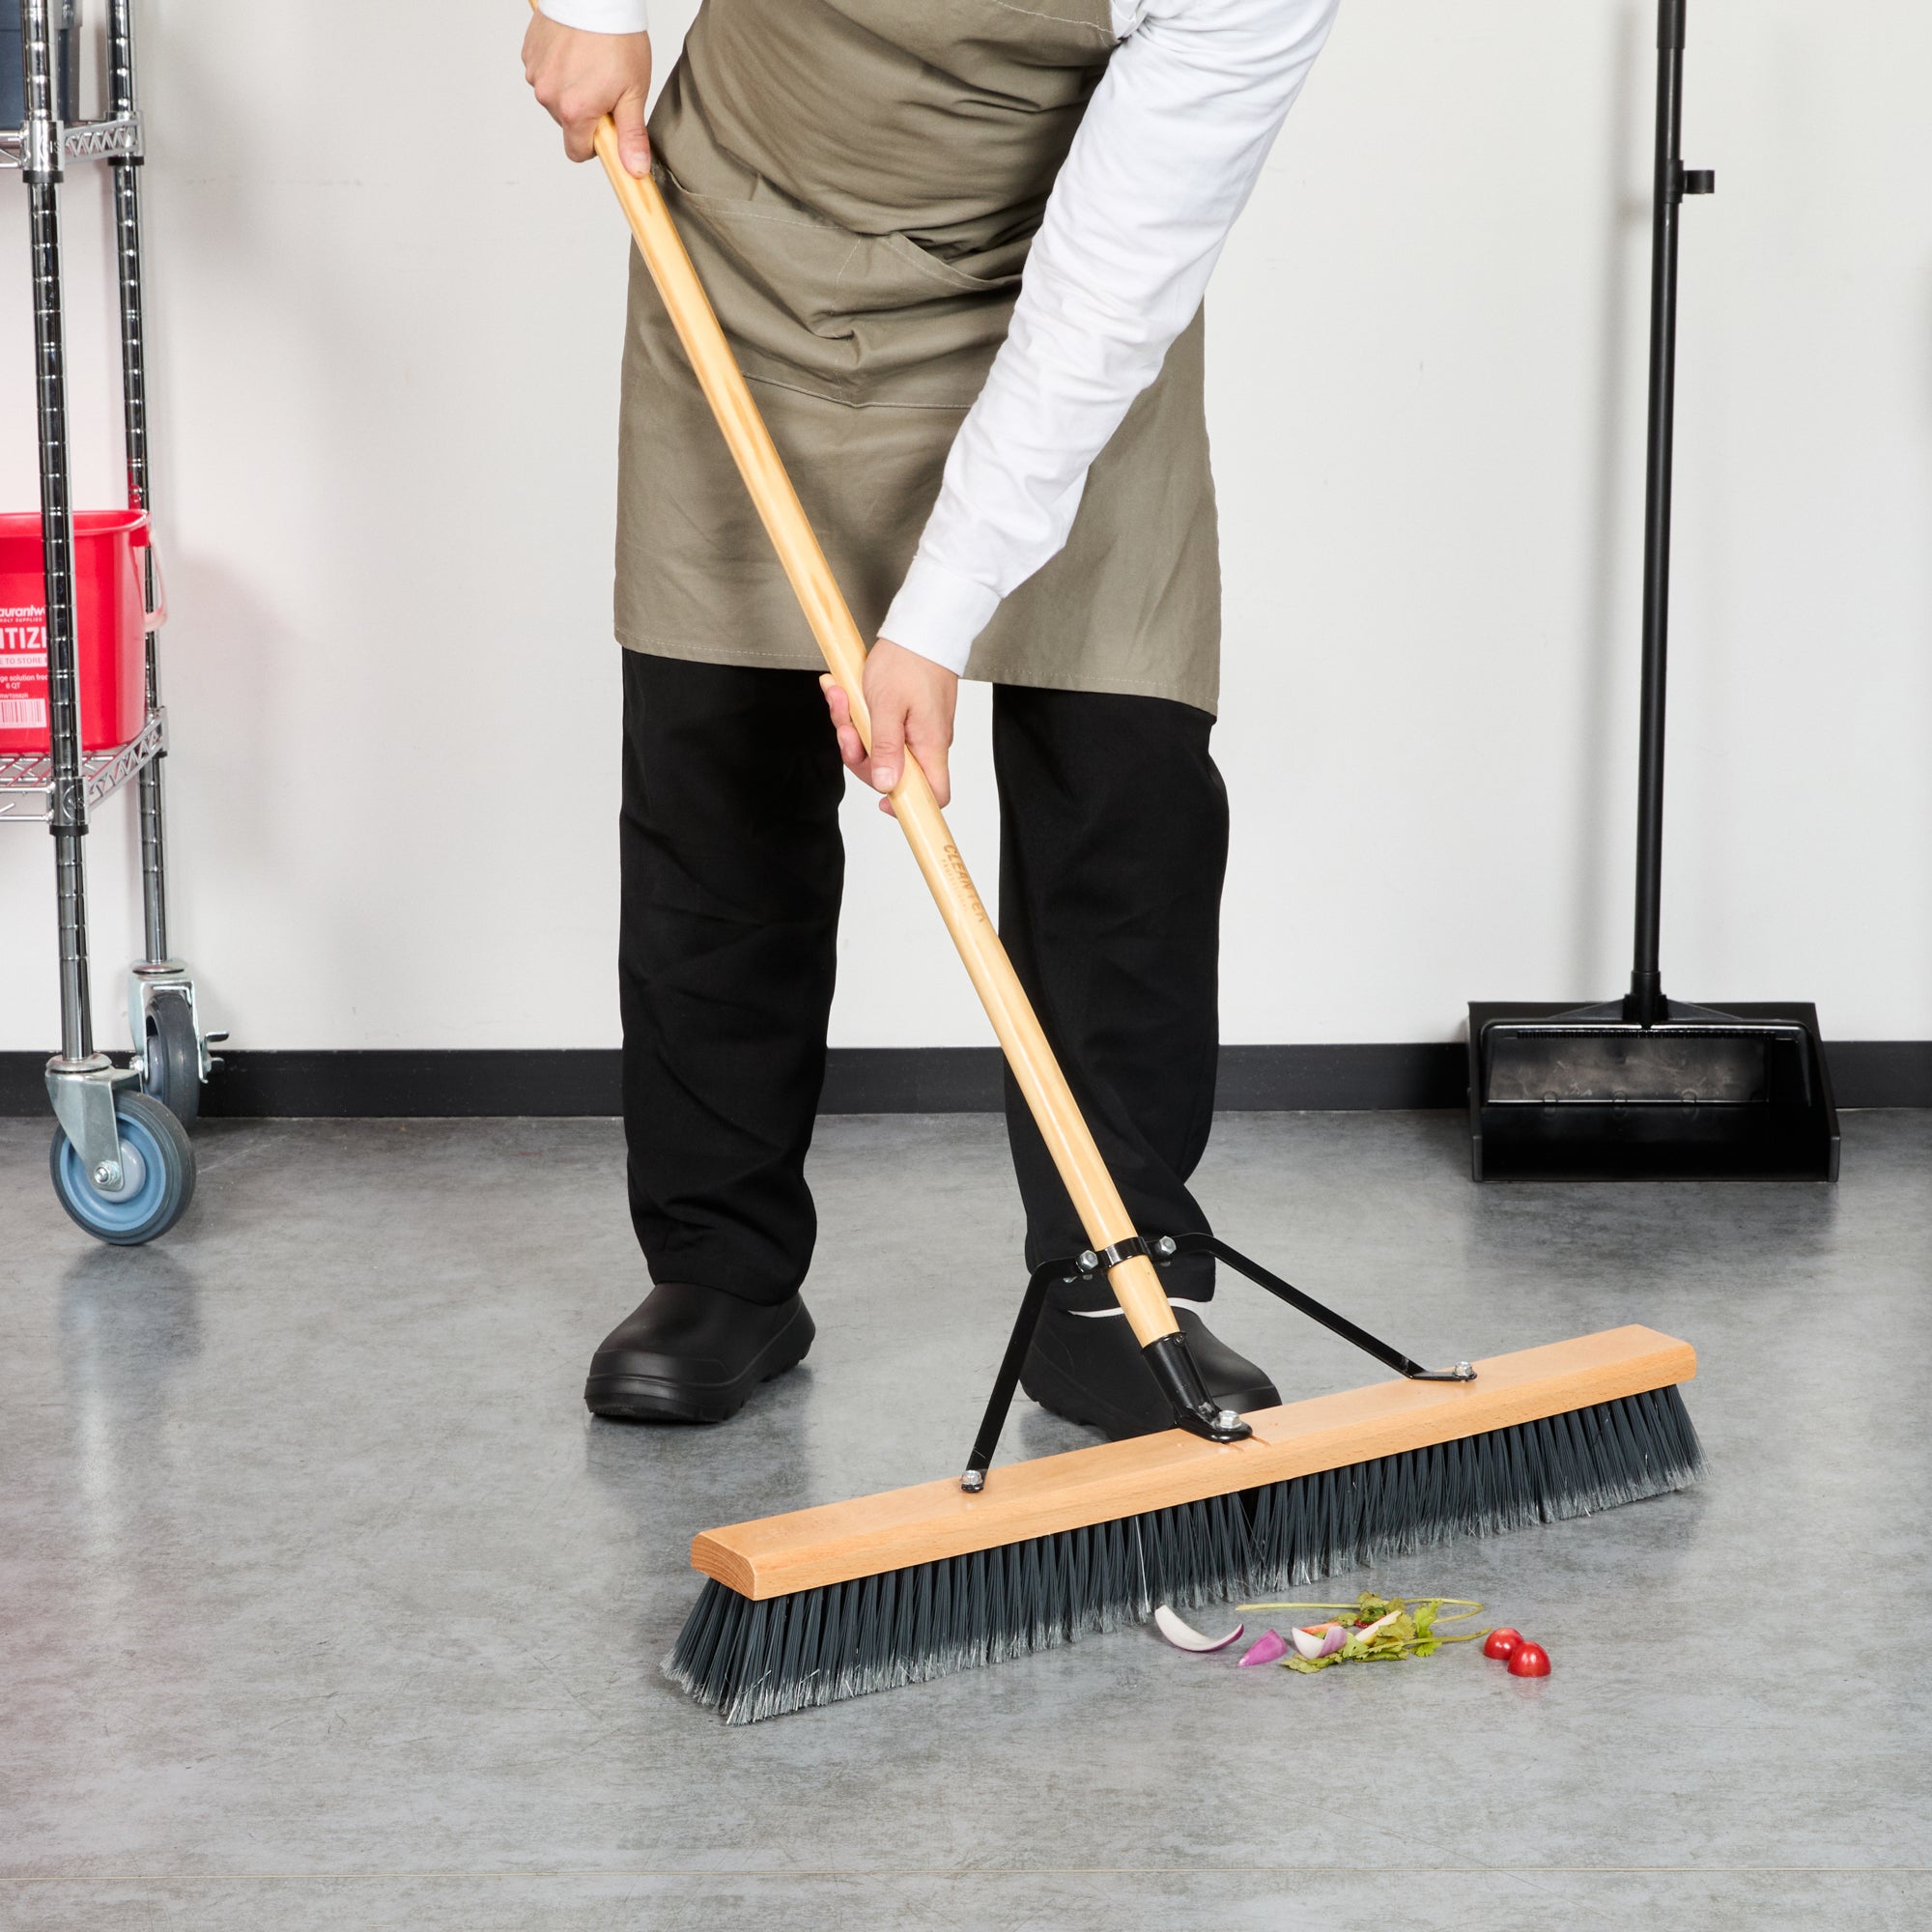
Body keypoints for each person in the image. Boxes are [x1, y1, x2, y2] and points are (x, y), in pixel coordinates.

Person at [522, 0, 1338, 1436]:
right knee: (717, 762)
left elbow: (1110, 285)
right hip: (751, 241)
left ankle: (1114, 1283)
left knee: (1126, 782)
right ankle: (722, 1270)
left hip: (1056, 298)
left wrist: (936, 615)